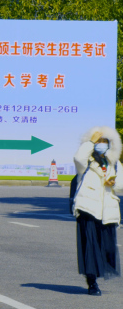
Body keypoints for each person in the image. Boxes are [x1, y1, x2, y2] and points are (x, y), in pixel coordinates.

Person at [73, 126, 123, 295]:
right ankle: (92, 282)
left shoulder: (114, 164)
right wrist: (90, 142)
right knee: (90, 247)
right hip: (88, 209)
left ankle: (96, 276)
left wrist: (113, 183)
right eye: (99, 141)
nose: (101, 145)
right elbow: (78, 158)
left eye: (105, 142)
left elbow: (122, 184)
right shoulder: (86, 162)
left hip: (107, 212)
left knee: (106, 249)